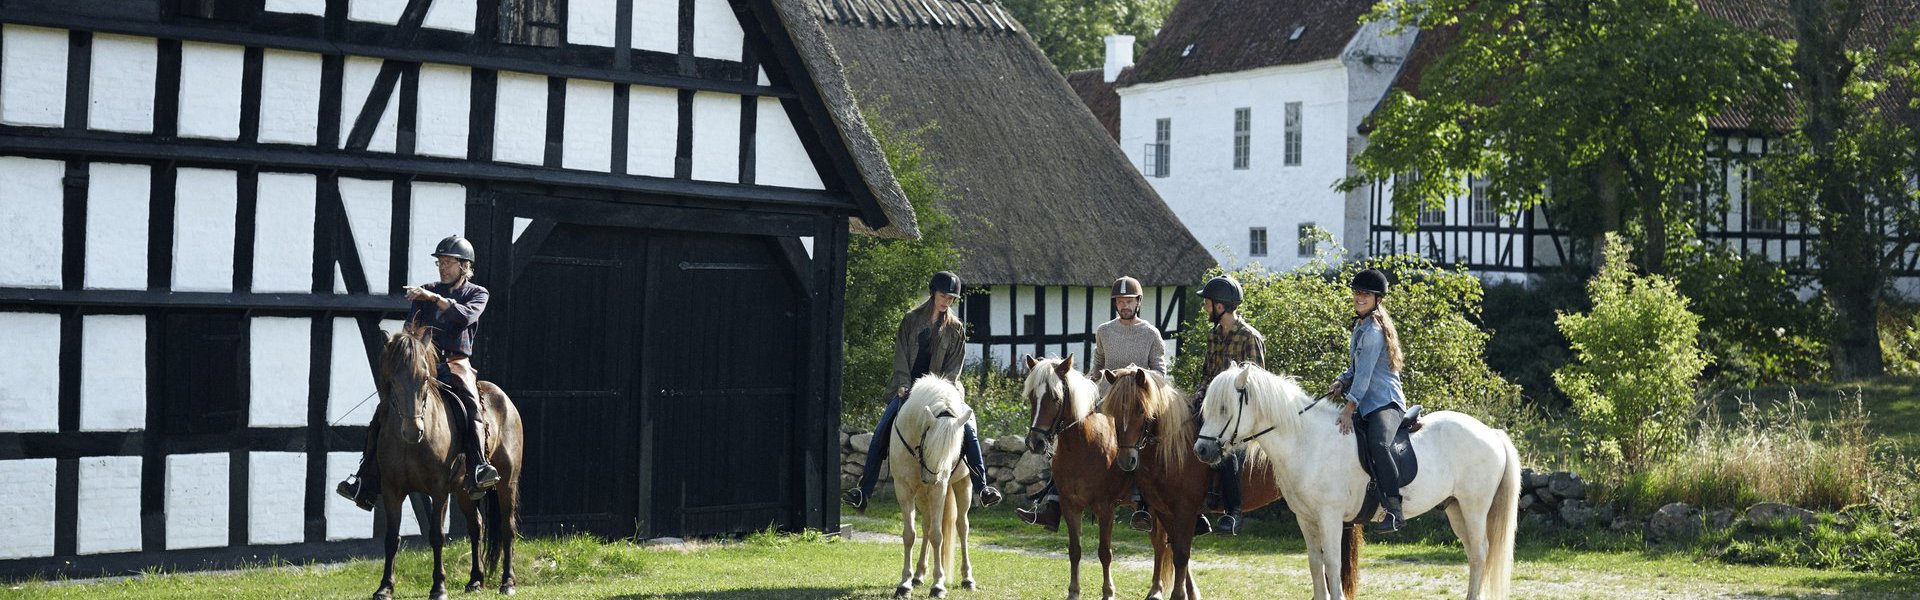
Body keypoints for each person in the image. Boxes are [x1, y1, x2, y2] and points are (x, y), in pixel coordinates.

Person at [337, 235, 497, 510]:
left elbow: (463, 317)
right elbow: (410, 331)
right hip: (424, 365)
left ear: (464, 266)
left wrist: (434, 298)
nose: (442, 267)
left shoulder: (477, 293)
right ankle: (364, 480)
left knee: (471, 405)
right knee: (384, 410)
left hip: (457, 362)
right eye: (439, 262)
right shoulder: (426, 292)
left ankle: (479, 468)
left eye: (448, 262)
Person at [1016, 276, 1167, 531]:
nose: (1125, 305)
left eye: (1129, 301)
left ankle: (1143, 504)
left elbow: (1160, 373)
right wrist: (1085, 389)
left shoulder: (1151, 334)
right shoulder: (1104, 331)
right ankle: (1053, 505)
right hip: (1104, 402)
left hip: (1135, 406)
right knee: (1068, 438)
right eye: (1120, 301)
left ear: (1138, 302)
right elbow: (1097, 368)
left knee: (1144, 441)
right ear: (1115, 304)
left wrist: (1132, 375)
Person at [842, 272, 1002, 512]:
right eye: (943, 295)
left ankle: (983, 488)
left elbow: (954, 367)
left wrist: (942, 392)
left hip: (943, 393)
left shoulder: (956, 329)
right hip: (909, 390)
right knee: (882, 430)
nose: (947, 301)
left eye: (951, 298)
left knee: (968, 428)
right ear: (933, 293)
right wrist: (902, 383)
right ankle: (863, 492)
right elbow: (901, 355)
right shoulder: (911, 320)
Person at [1328, 268, 1410, 533]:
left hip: (1385, 403)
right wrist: (1342, 381)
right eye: (1357, 292)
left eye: (1365, 293)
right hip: (1366, 404)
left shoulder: (1373, 331)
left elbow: (1363, 377)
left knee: (1378, 444)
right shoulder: (1361, 327)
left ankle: (1395, 511)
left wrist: (1348, 408)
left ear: (1377, 299)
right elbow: (1356, 368)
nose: (1359, 297)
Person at [1193, 274, 1264, 535]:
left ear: (1220, 306)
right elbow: (1207, 374)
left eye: (1207, 303)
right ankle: (1196, 510)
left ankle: (1233, 513)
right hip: (1213, 406)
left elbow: (1257, 382)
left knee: (1225, 448)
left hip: (1239, 411)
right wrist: (1199, 393)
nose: (1205, 307)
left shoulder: (1249, 337)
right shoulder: (1213, 336)